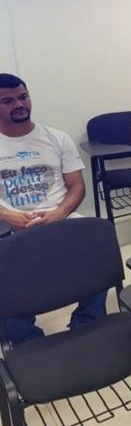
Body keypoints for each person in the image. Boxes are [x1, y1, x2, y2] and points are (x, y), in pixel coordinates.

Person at [0, 73, 105, 345]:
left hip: (59, 220)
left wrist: (58, 214)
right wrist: (8, 215)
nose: (19, 104)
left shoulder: (56, 138)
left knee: (100, 247)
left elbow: (77, 188)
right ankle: (26, 341)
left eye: (23, 97)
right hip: (9, 229)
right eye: (7, 101)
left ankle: (87, 324)